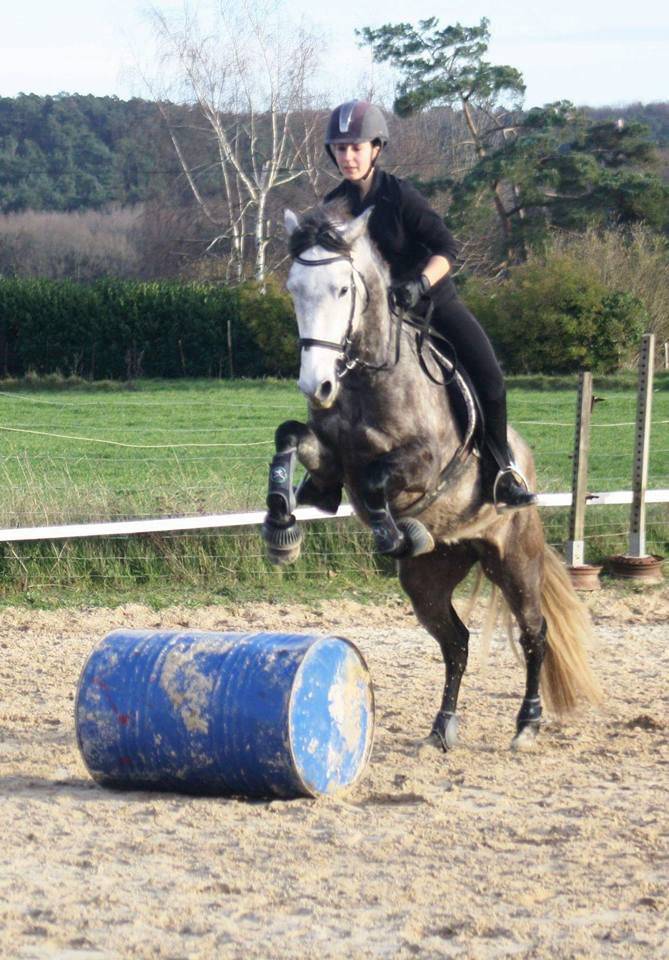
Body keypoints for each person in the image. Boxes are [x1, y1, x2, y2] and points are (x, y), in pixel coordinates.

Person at [321, 99, 537, 511]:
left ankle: (500, 472)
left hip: (431, 306)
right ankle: (325, 478)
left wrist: (418, 284)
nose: (348, 157)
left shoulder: (400, 196)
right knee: (325, 382)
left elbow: (446, 248)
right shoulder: (334, 207)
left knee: (490, 379)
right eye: (340, 149)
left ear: (376, 149)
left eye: (356, 147)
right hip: (371, 324)